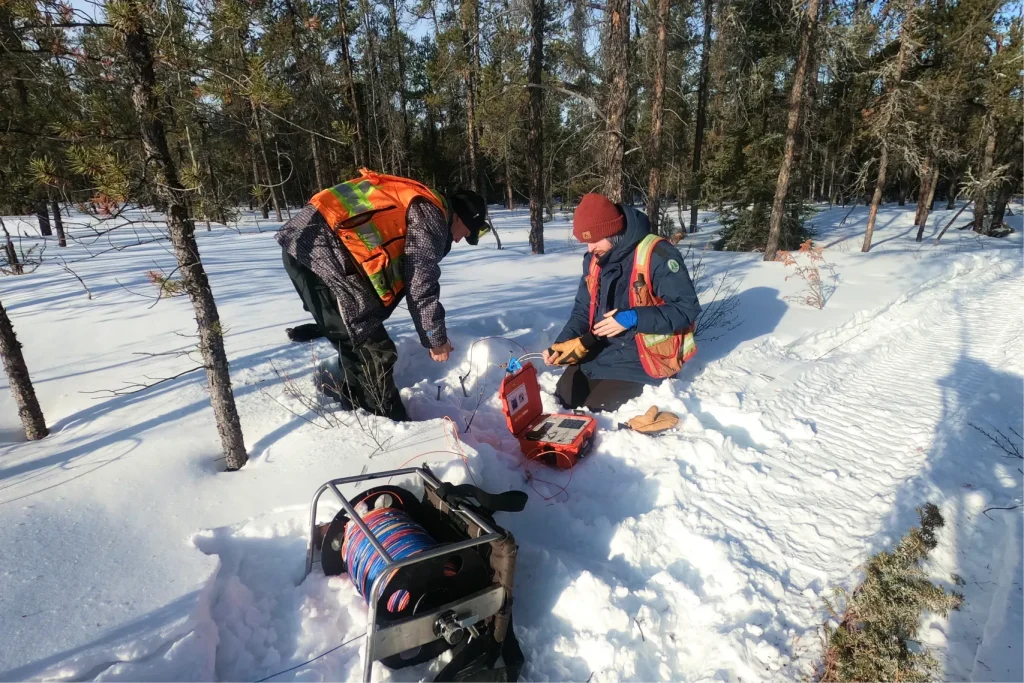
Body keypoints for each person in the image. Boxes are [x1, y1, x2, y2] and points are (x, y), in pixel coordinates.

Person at [276, 168, 490, 421]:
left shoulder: (421, 203)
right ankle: (388, 427)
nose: (458, 241)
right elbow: (420, 282)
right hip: (320, 255)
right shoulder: (431, 214)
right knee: (375, 352)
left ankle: (355, 407)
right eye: (465, 234)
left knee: (359, 338)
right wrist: (435, 338)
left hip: (316, 250)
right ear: (460, 218)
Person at [542, 192, 701, 413]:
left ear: (614, 233)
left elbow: (686, 309)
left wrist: (633, 318)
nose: (589, 249)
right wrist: (561, 344)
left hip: (643, 358)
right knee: (563, 401)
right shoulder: (594, 260)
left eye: (594, 240)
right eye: (586, 242)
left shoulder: (658, 255)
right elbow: (582, 310)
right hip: (598, 352)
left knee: (595, 413)